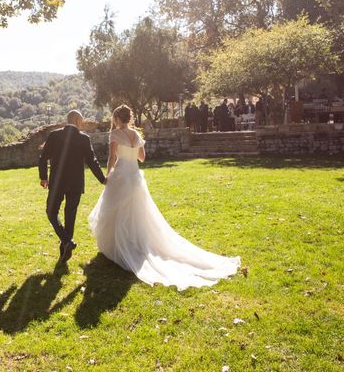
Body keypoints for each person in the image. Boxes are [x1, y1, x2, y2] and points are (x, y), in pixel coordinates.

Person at [88, 105, 240, 289]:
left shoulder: (114, 135)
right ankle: (133, 241)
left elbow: (112, 158)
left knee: (117, 210)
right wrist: (131, 151)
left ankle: (118, 246)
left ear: (117, 119)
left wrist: (108, 174)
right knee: (137, 212)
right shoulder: (136, 135)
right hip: (134, 176)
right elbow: (142, 158)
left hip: (121, 176)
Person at [38, 110, 106, 264]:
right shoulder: (84, 138)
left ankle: (66, 247)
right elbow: (92, 161)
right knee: (70, 216)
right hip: (76, 183)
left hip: (57, 182)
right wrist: (102, 179)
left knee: (51, 212)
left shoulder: (54, 135)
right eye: (80, 121)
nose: (81, 123)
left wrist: (44, 177)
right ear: (77, 120)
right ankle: (67, 243)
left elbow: (43, 158)